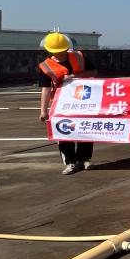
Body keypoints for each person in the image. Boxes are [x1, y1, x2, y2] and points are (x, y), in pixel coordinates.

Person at [37, 32, 97, 175]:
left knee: (85, 129)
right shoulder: (46, 66)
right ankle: (70, 162)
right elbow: (46, 89)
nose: (61, 53)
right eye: (57, 51)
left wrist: (74, 76)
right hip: (61, 104)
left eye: (63, 50)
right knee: (63, 131)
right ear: (49, 50)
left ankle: (84, 159)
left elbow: (94, 72)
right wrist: (43, 111)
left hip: (84, 100)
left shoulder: (79, 57)